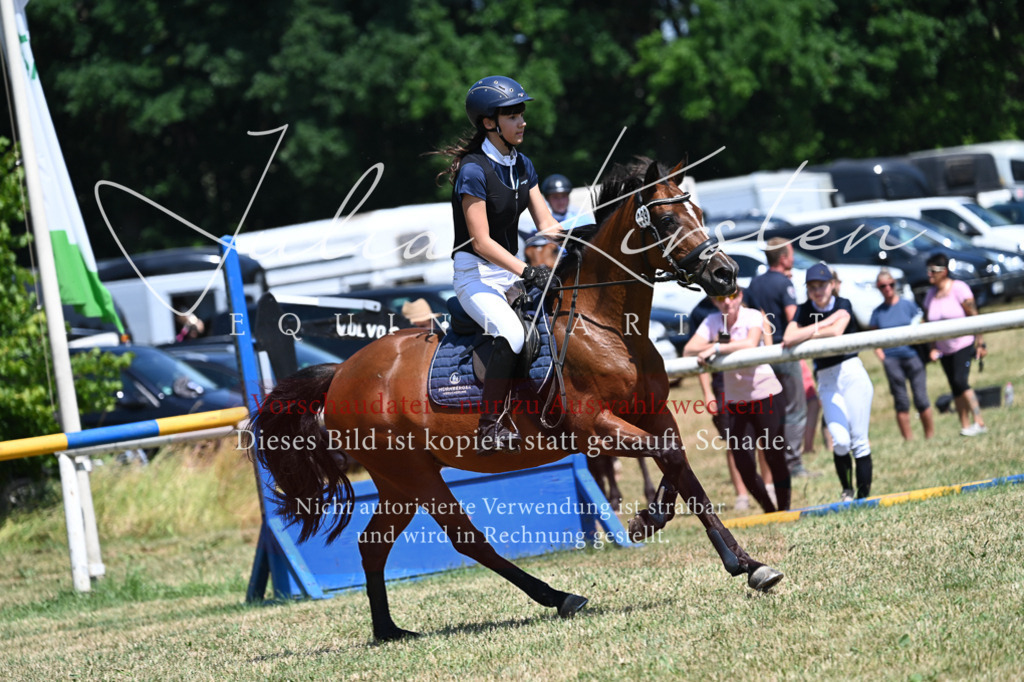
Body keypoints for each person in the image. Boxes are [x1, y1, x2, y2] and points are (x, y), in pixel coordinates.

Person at [435, 76, 562, 456]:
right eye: (512, 115)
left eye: (521, 113)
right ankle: (489, 427)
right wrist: (527, 271)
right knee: (512, 333)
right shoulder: (473, 170)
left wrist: (591, 233)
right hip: (475, 277)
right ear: (489, 122)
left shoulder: (523, 164)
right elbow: (481, 242)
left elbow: (547, 225)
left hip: (509, 275)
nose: (522, 121)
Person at [685, 289, 791, 513]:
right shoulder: (712, 320)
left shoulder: (752, 315)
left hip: (766, 394)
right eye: (720, 298)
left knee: (774, 456)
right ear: (714, 301)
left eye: (732, 296)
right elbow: (689, 349)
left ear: (740, 296)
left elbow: (750, 343)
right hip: (736, 402)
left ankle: (784, 510)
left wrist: (716, 347)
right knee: (743, 464)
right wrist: (718, 342)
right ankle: (769, 510)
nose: (727, 302)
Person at [784, 262, 874, 502]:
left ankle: (863, 498)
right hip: (826, 378)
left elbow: (837, 332)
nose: (817, 291)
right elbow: (789, 337)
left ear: (832, 285)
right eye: (812, 286)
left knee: (859, 440)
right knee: (840, 441)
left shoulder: (843, 303)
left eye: (822, 285)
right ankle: (847, 491)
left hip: (850, 372)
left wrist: (808, 333)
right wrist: (825, 322)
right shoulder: (804, 309)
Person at [745, 237, 812, 478]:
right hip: (785, 351)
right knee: (796, 409)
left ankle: (774, 464)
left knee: (772, 413)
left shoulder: (754, 284)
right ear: (783, 258)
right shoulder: (784, 283)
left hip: (762, 355)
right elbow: (793, 317)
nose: (793, 258)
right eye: (791, 254)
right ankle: (793, 465)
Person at [922, 253, 987, 436]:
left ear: (944, 271)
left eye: (933, 270)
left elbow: (974, 317)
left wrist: (981, 343)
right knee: (955, 387)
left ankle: (979, 422)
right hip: (944, 349)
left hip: (963, 343)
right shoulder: (930, 294)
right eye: (928, 270)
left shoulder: (959, 288)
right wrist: (932, 347)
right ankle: (965, 426)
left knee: (960, 381)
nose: (929, 274)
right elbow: (928, 323)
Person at [869, 270, 935, 440]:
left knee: (921, 398)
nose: (887, 288)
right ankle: (908, 440)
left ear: (895, 284)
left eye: (890, 284)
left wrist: (930, 349)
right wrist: (882, 356)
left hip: (913, 355)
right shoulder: (878, 313)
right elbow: (873, 337)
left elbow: (922, 326)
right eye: (883, 286)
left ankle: (930, 436)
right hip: (892, 359)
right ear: (878, 288)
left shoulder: (908, 305)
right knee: (901, 400)